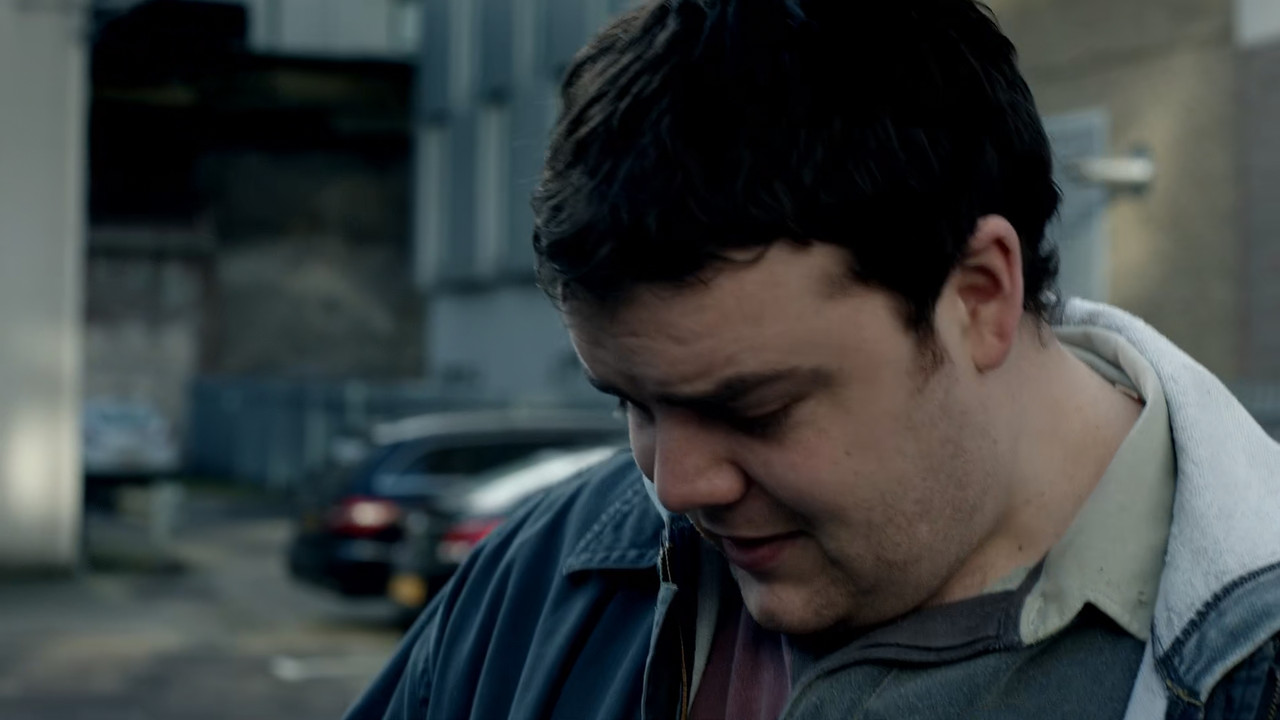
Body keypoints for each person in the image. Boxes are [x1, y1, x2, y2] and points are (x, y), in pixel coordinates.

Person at [346, 1, 1280, 718]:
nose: (675, 485)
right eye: (634, 404)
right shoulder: (544, 575)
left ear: (978, 297)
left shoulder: (1253, 663)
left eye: (753, 409)